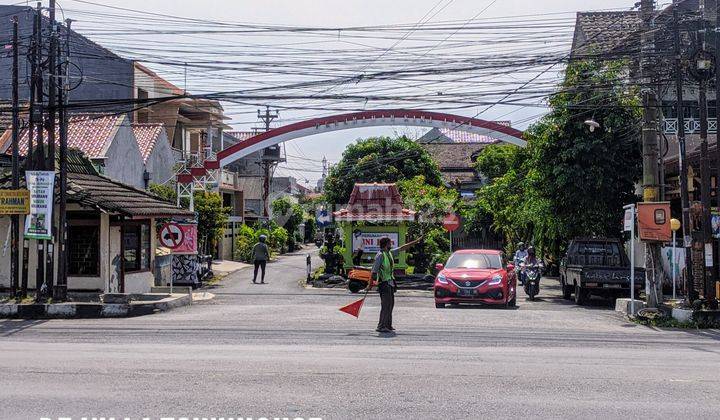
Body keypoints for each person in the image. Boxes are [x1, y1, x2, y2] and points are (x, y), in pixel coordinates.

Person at [367, 235, 423, 333]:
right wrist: (370, 284)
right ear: (385, 245)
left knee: (390, 304)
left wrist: (415, 241)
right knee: (385, 305)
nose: (391, 244)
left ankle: (388, 325)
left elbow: (402, 247)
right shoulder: (380, 255)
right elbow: (374, 271)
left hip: (390, 282)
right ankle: (381, 326)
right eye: (390, 243)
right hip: (383, 283)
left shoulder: (389, 253)